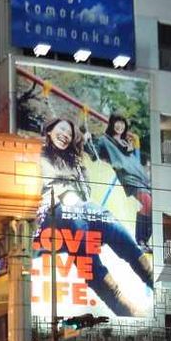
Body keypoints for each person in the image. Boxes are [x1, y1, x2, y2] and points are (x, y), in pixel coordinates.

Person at [35, 117, 154, 318]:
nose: (65, 135)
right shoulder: (38, 154)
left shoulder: (74, 162)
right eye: (61, 129)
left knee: (105, 218)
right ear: (49, 130)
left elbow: (85, 193)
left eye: (69, 134)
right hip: (51, 212)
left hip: (79, 208)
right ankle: (123, 305)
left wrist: (79, 173)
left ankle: (151, 278)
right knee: (75, 220)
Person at [83, 113, 154, 247]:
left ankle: (144, 240)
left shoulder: (127, 143)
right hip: (128, 177)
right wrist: (87, 141)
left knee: (152, 207)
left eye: (122, 123)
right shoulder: (105, 140)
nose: (120, 126)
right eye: (117, 122)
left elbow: (134, 160)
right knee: (147, 202)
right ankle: (141, 240)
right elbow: (94, 154)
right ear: (112, 124)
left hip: (141, 178)